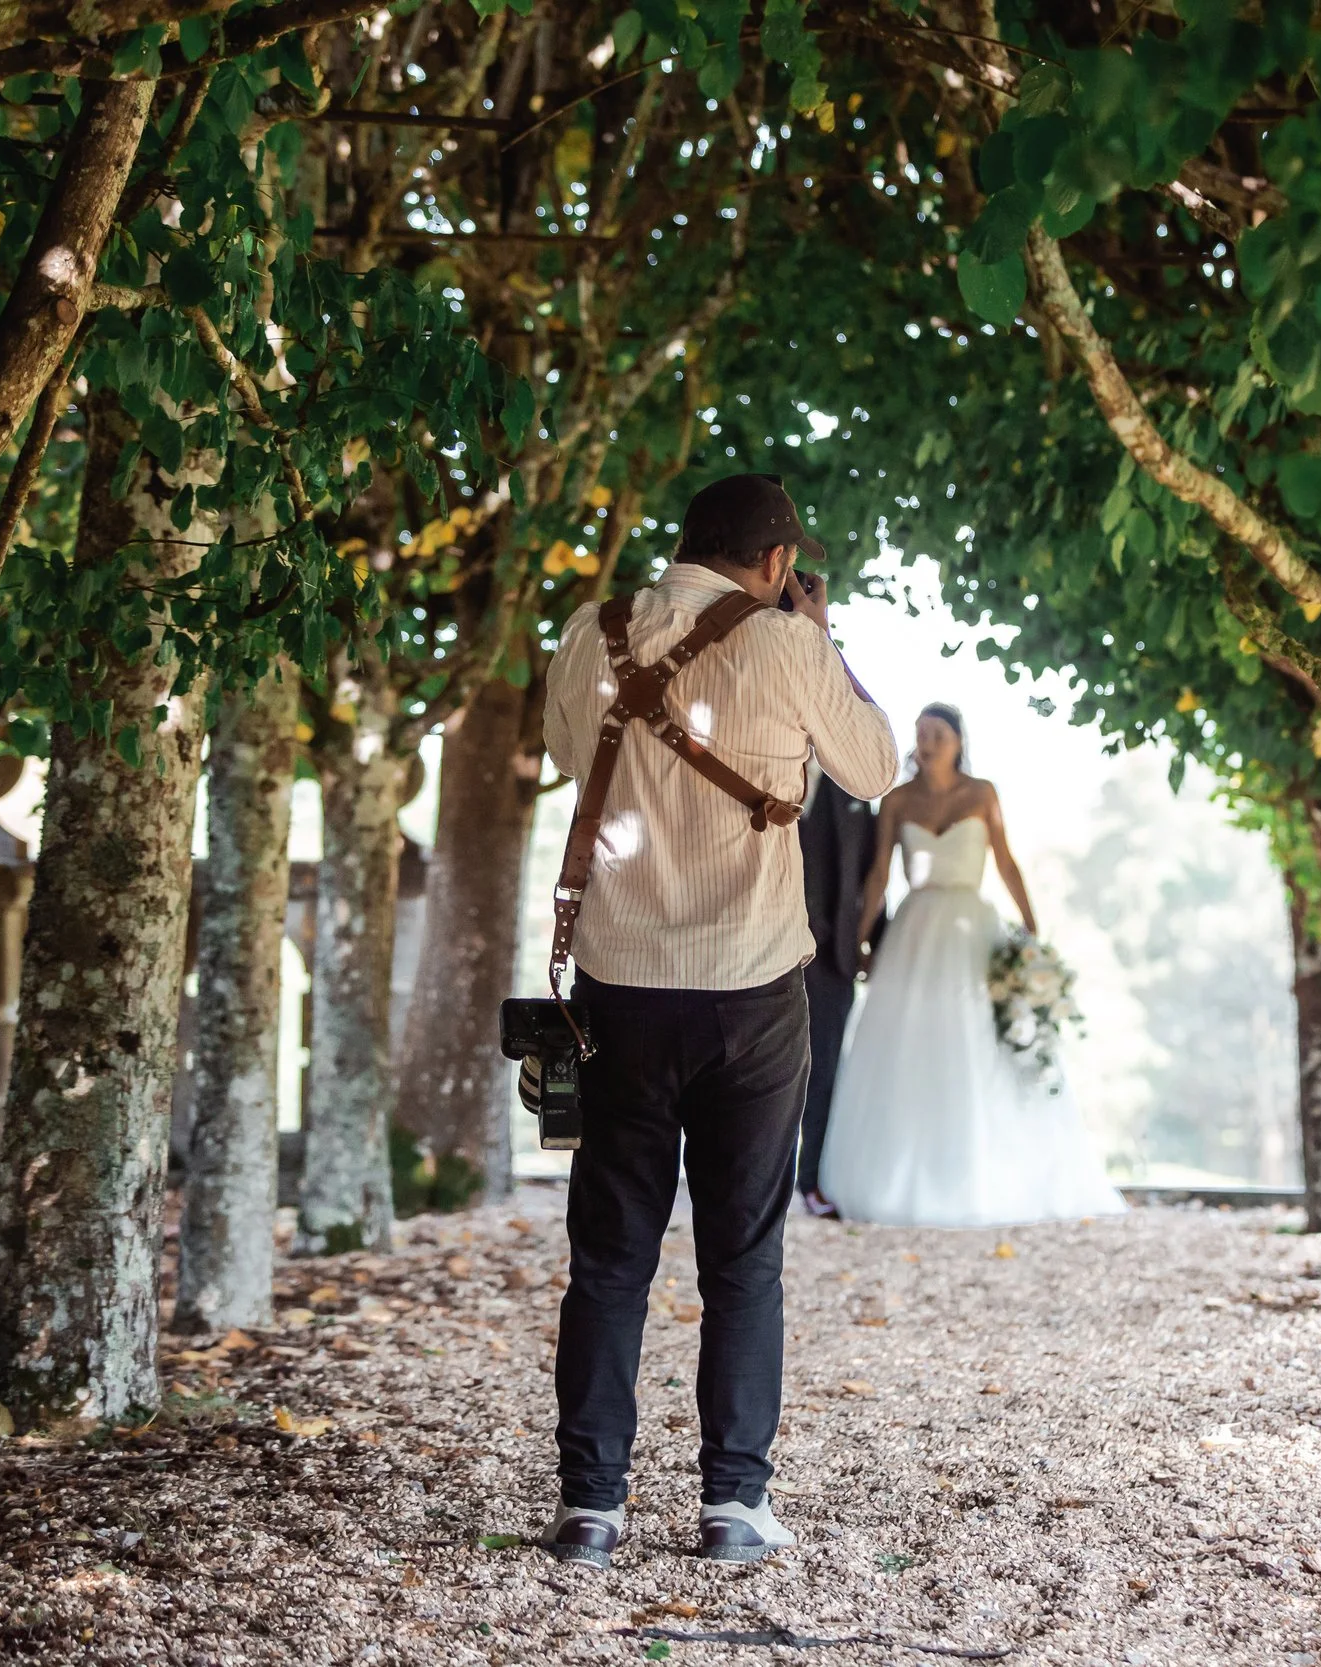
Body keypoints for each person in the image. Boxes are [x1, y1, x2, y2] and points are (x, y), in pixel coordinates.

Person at [536, 473, 896, 1568]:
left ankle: (590, 1507)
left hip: (620, 983)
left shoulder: (590, 631)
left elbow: (565, 755)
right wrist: (820, 642)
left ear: (684, 542)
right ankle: (732, 1503)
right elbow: (872, 769)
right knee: (742, 1254)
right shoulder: (791, 649)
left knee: (608, 1257)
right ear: (782, 564)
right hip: (749, 989)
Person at [816, 705, 1128, 1227]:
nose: (928, 741)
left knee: (976, 1039)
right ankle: (899, 1177)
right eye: (920, 733)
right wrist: (861, 940)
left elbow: (1005, 862)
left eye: (938, 733)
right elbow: (876, 877)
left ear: (959, 741)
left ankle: (982, 1173)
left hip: (971, 929)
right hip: (914, 930)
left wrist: (1032, 933)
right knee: (908, 1042)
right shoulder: (896, 800)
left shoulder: (982, 794)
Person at [795, 767, 884, 1218]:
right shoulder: (765, 763)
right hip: (764, 949)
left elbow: (870, 871)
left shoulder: (854, 790)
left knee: (824, 1071)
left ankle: (809, 1182)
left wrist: (878, 946)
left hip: (834, 960)